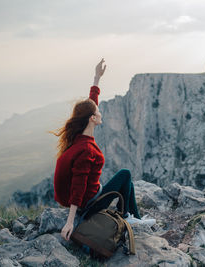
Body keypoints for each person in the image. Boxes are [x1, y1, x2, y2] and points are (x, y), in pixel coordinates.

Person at [50, 58, 155, 242]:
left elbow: (91, 103)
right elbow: (78, 185)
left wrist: (96, 78)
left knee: (126, 183)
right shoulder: (86, 150)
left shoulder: (79, 135)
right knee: (124, 174)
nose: (101, 112)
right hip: (89, 205)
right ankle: (130, 217)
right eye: (98, 112)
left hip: (90, 195)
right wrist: (70, 221)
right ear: (92, 118)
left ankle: (133, 217)